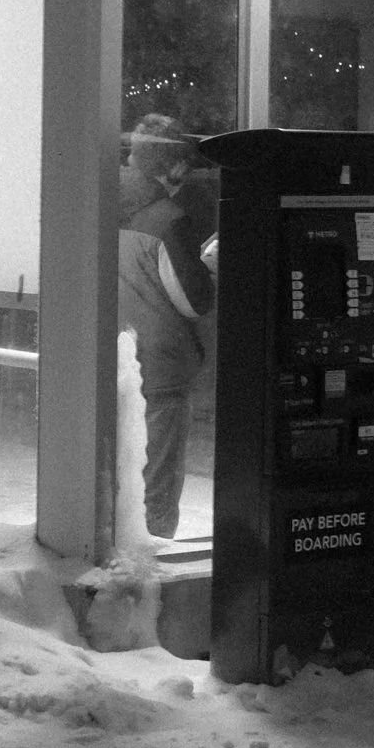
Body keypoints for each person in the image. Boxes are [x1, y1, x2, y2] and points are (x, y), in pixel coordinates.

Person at [118, 114, 216, 540]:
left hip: (119, 357)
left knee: (117, 475)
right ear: (170, 166)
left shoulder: (108, 205)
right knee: (156, 486)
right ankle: (151, 572)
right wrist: (211, 269)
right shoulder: (167, 221)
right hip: (161, 367)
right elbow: (193, 303)